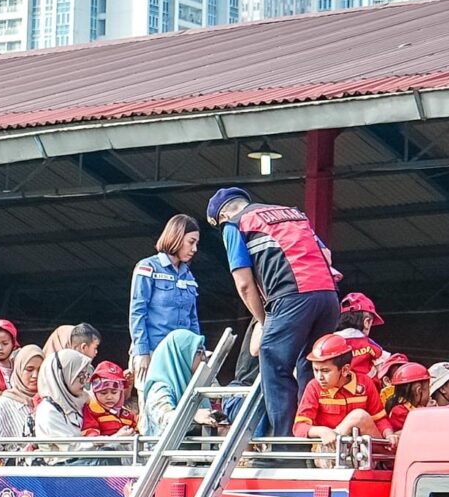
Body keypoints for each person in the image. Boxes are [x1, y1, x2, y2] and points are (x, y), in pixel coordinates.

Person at [206, 187, 342, 437]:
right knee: (308, 366)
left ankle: (283, 444)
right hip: (328, 296)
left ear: (222, 216)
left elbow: (245, 284)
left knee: (273, 360)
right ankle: (308, 436)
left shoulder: (234, 224)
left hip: (291, 297)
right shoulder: (292, 213)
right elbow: (326, 255)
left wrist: (264, 319)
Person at [129, 216, 202, 384]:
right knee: (154, 405)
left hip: (183, 355)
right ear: (176, 237)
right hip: (154, 352)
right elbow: (137, 312)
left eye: (196, 243)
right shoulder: (148, 268)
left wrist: (198, 349)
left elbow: (193, 318)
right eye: (191, 242)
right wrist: (142, 352)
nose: (195, 248)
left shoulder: (188, 275)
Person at [295, 335, 384, 443]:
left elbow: (380, 419)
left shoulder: (366, 383)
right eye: (316, 370)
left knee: (359, 416)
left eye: (325, 371)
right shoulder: (313, 387)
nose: (319, 377)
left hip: (362, 453)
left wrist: (389, 435)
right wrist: (323, 432)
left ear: (345, 370)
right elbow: (299, 427)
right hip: (327, 453)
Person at [138, 329, 206, 436]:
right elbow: (165, 418)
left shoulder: (193, 384)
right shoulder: (160, 388)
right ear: (180, 354)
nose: (204, 358)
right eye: (198, 352)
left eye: (203, 351)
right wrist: (194, 416)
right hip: (163, 451)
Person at [0, 345, 46, 441]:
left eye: (40, 370)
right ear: (19, 370)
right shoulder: (5, 403)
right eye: (29, 369)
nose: (35, 375)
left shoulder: (50, 398)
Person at [34, 347, 93, 441]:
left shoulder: (79, 402)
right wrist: (111, 440)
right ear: (63, 376)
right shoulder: (49, 410)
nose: (84, 382)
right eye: (80, 375)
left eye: (86, 375)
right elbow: (70, 448)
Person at [382, 362, 432, 434]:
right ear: (418, 390)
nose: (429, 394)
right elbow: (418, 431)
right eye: (428, 388)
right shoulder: (399, 412)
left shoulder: (414, 407)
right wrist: (427, 412)